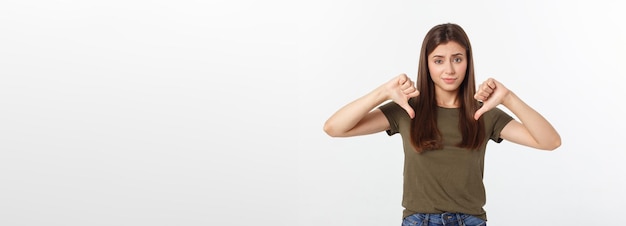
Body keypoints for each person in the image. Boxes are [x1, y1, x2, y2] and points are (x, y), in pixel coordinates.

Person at [323, 23, 561, 226]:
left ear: (467, 61)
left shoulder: (484, 113)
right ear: (427, 64)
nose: (449, 69)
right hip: (419, 221)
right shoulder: (407, 110)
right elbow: (334, 128)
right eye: (438, 60)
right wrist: (383, 92)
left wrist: (508, 97)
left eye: (457, 59)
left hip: (471, 221)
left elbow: (550, 141)